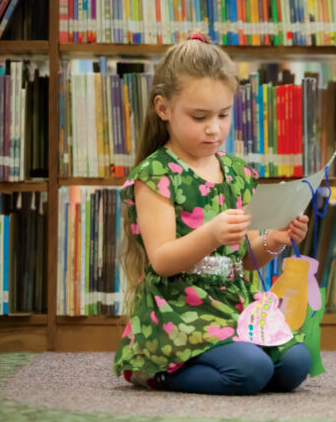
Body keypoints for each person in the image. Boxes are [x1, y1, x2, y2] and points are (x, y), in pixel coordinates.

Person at [114, 33, 312, 395]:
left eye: (223, 114)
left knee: (296, 364)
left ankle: (232, 359)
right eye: (199, 116)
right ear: (163, 109)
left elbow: (245, 259)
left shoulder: (237, 172)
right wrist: (211, 234)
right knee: (251, 370)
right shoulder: (156, 175)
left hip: (233, 302)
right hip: (180, 308)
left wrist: (276, 240)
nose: (214, 128)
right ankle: (154, 372)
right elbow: (162, 261)